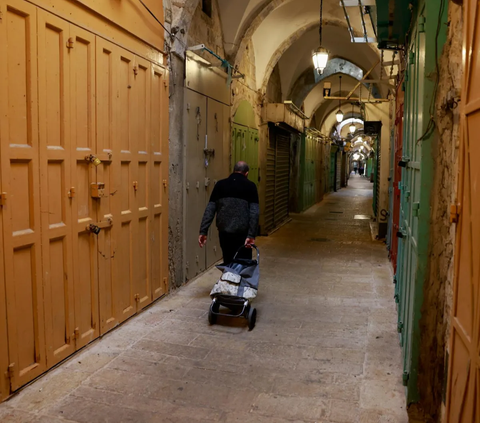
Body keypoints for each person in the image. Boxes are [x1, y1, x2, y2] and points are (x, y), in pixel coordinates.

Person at [199, 161, 259, 265]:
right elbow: (254, 212)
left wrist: (203, 231)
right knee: (243, 262)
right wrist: (251, 235)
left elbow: (210, 209)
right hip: (242, 233)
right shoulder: (251, 186)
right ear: (246, 173)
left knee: (228, 260)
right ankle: (239, 280)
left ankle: (229, 279)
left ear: (233, 171)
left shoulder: (220, 185)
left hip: (224, 231)